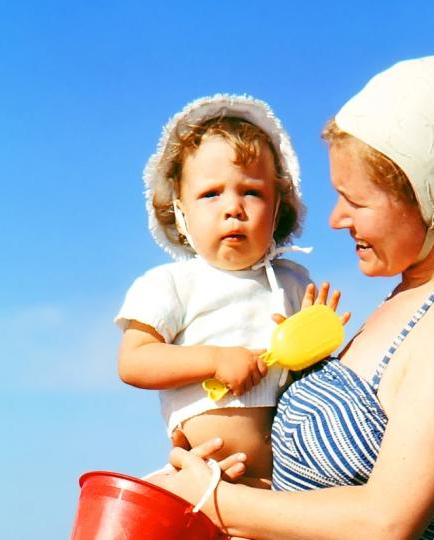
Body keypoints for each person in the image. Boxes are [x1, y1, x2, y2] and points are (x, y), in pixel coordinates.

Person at [154, 56, 434, 539]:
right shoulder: (412, 295)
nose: (335, 219)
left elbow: (385, 522)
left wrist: (214, 499)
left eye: (356, 200)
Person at [114, 94, 313, 485]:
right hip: (206, 478)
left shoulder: (292, 282)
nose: (233, 208)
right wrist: (215, 359)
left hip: (281, 485)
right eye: (211, 194)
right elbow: (134, 362)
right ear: (180, 210)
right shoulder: (172, 283)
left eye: (252, 192)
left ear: (277, 208)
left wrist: (317, 338)